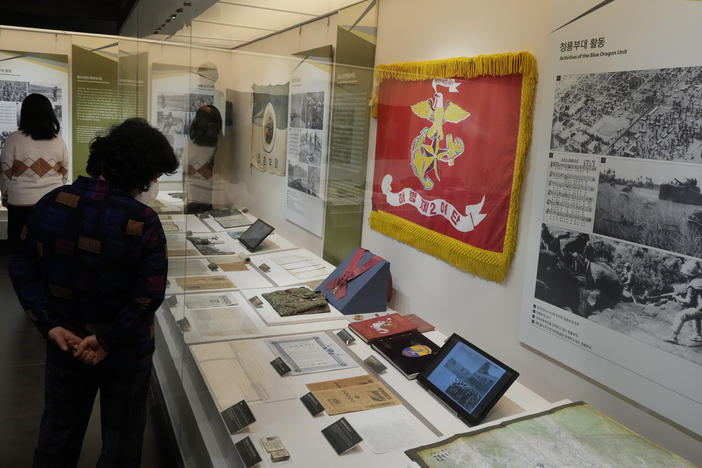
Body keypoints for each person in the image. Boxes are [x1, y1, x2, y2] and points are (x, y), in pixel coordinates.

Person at [9, 118, 178, 467]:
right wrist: (106, 340)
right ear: (140, 171)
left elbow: (22, 267)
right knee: (122, 445)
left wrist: (49, 324)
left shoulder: (50, 204)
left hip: (64, 343)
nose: (154, 183)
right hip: (125, 353)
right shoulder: (143, 221)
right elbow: (149, 295)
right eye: (154, 174)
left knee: (58, 434)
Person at [0, 93, 69, 250]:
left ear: (24, 114)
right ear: (49, 114)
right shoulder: (59, 141)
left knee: (20, 249)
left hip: (20, 204)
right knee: (49, 249)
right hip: (52, 203)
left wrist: (5, 195)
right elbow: (64, 174)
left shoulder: (13, 140)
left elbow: (5, 174)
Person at [184, 104, 222, 213]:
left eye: (204, 118)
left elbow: (213, 175)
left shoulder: (219, 143)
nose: (201, 121)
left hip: (208, 197)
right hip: (195, 196)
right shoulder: (195, 141)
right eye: (200, 117)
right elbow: (190, 170)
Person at [664, 260, 702, 345]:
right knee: (696, 315)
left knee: (680, 316)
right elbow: (697, 294)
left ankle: (673, 337)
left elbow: (688, 301)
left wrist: (677, 298)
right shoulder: (700, 281)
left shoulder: (691, 286)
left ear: (688, 274)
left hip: (700, 309)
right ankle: (698, 335)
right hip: (701, 309)